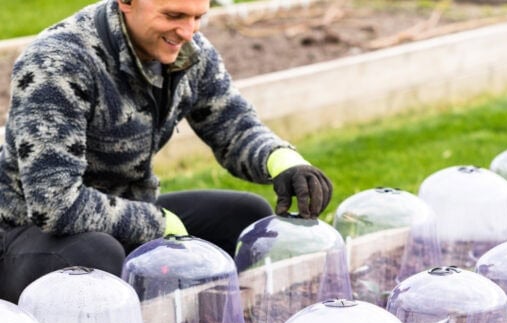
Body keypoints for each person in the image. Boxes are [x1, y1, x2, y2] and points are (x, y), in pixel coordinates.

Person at [0, 0, 333, 303]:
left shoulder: (190, 53)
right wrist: (159, 224)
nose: (188, 31)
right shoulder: (58, 62)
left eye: (197, 17)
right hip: (28, 236)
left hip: (125, 217)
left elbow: (234, 127)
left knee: (247, 216)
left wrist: (285, 163)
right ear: (126, 4)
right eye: (173, 16)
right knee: (96, 256)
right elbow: (54, 205)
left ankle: (200, 318)